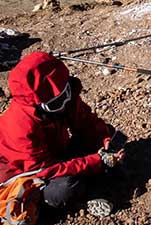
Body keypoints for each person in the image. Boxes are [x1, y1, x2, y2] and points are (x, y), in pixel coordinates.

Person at [0, 52, 123, 211]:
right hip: (29, 173)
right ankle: (56, 204)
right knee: (65, 189)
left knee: (108, 134)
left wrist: (105, 143)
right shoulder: (20, 126)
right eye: (57, 102)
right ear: (37, 104)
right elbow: (43, 170)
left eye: (66, 94)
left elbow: (87, 123)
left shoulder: (61, 96)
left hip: (55, 154)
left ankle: (92, 182)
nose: (65, 103)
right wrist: (96, 161)